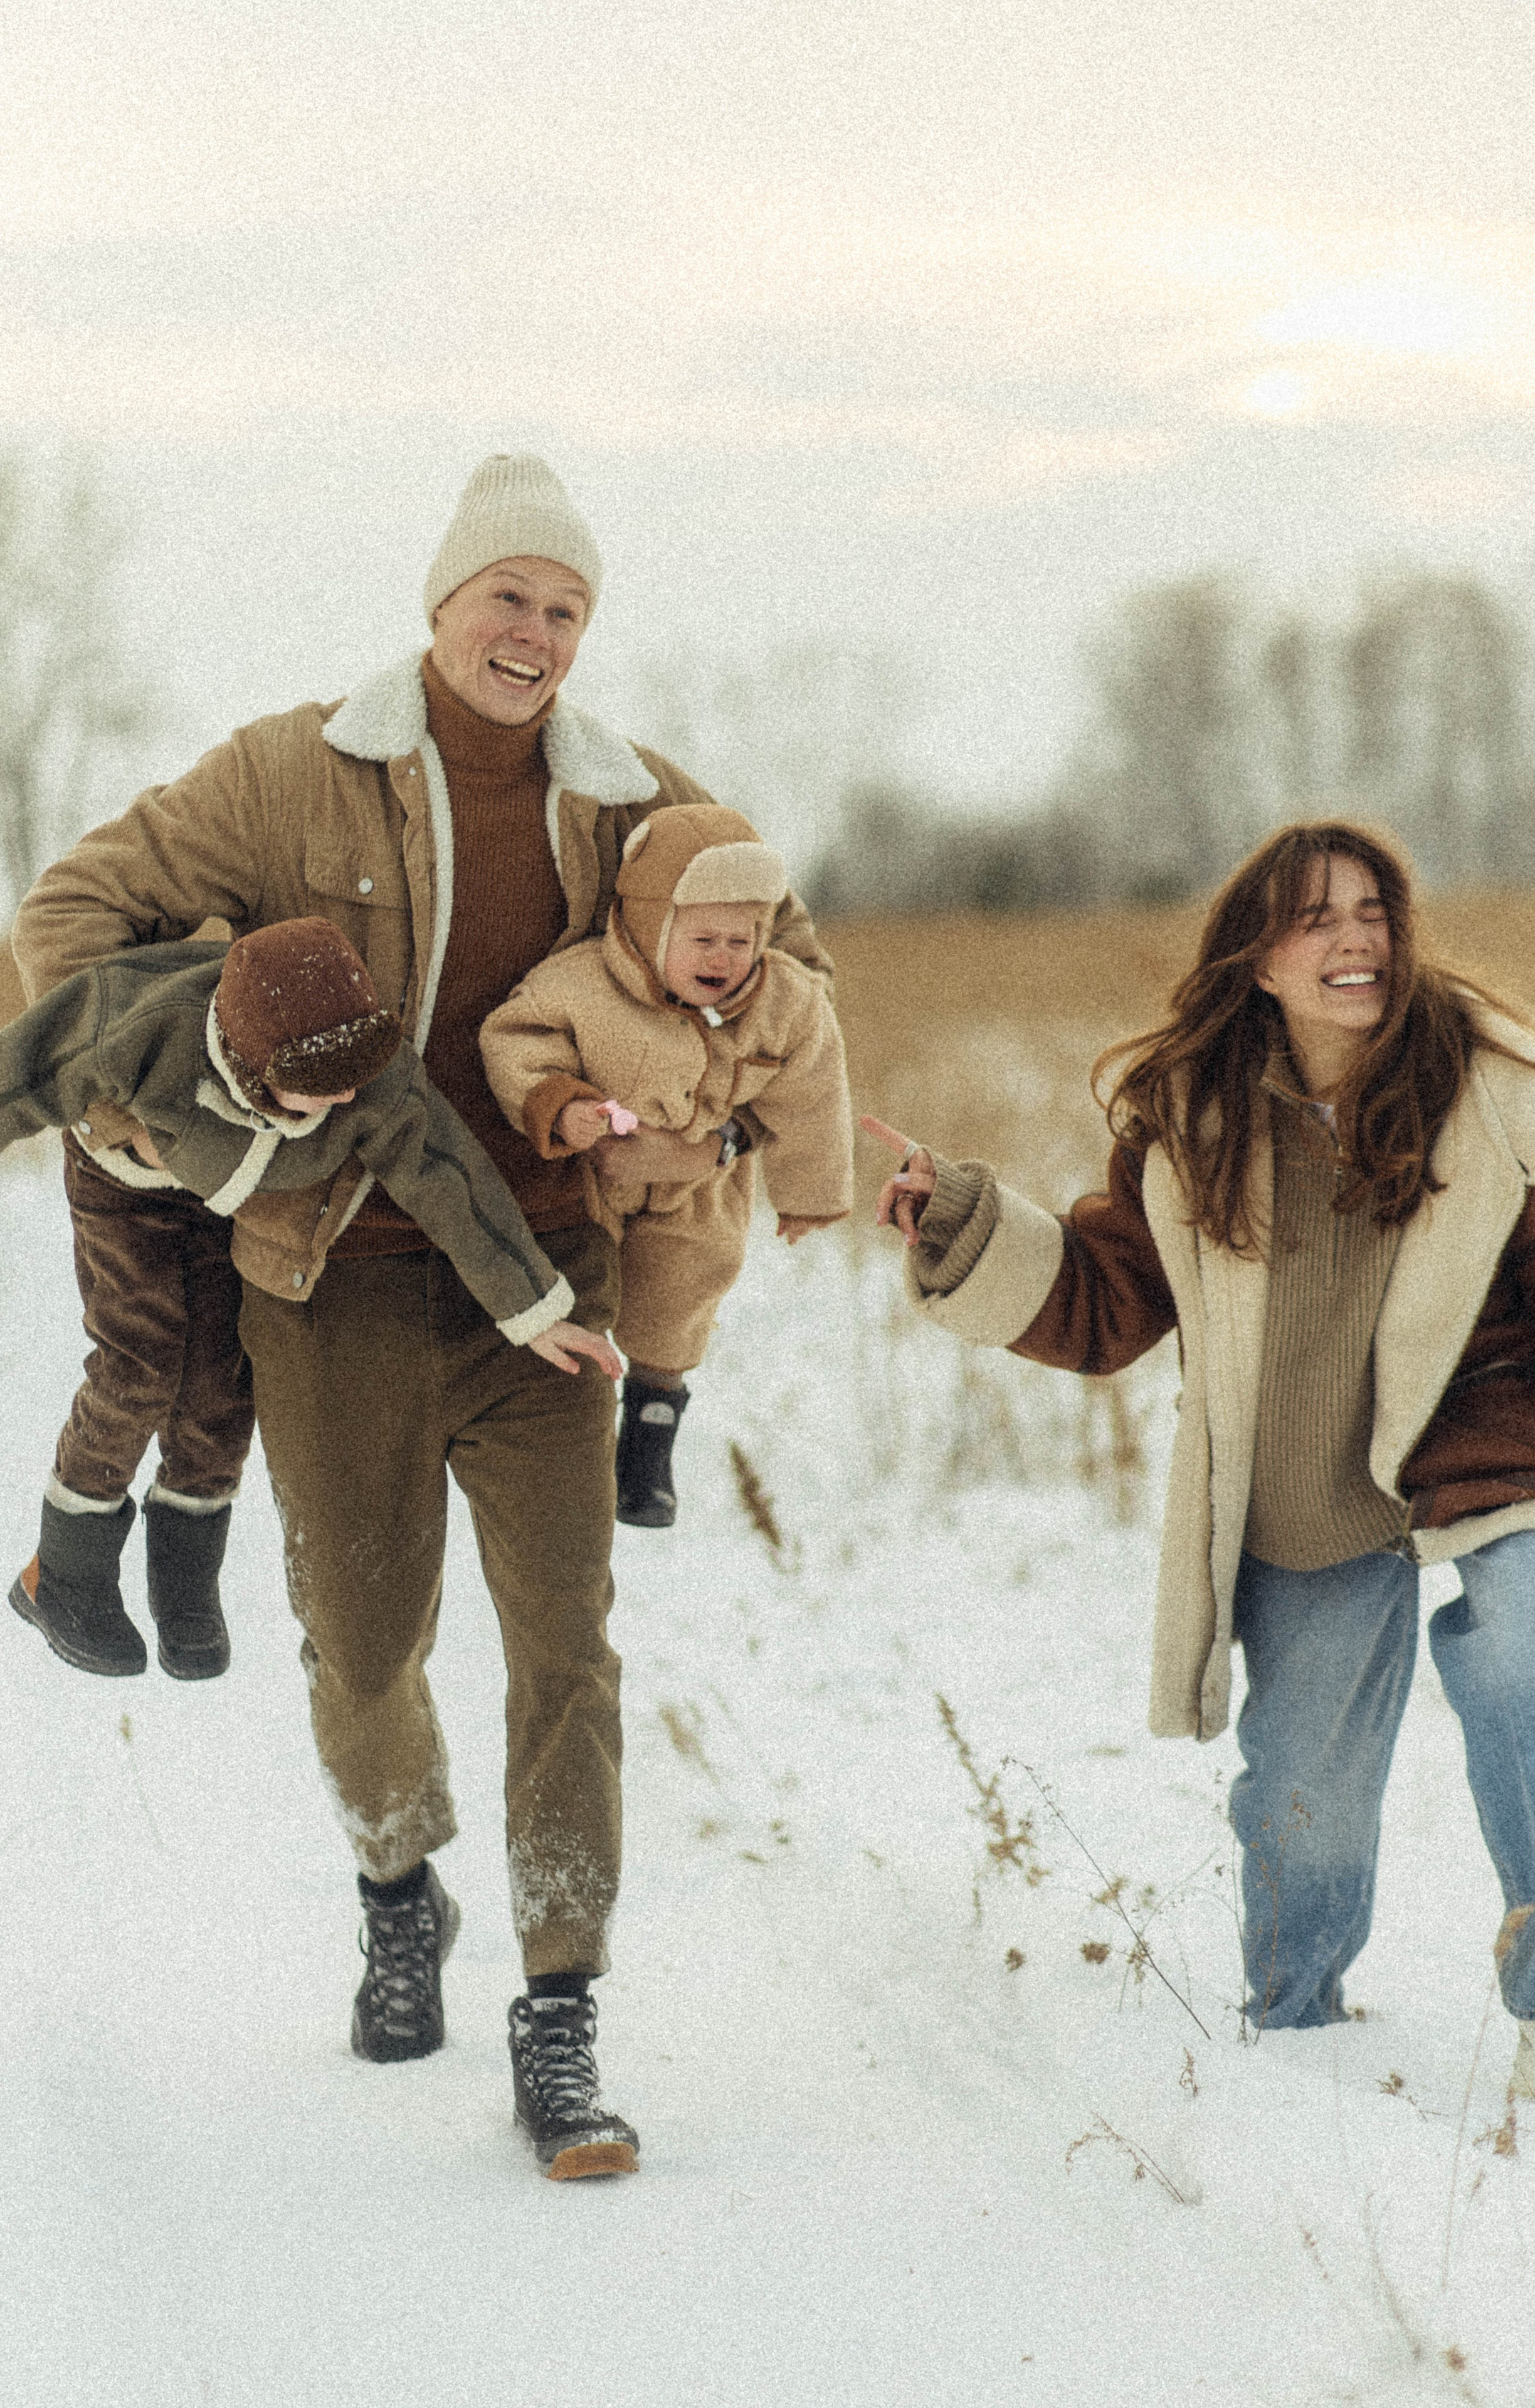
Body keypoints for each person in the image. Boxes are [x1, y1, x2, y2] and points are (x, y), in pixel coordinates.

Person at [11, 452, 831, 2179]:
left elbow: (787, 954)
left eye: (566, 608)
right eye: (507, 598)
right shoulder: (290, 771)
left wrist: (717, 1079)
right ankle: (400, 1885)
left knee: (565, 1648)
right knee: (365, 1641)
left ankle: (561, 2009)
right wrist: (134, 1107)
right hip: (338, 1280)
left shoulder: (633, 804)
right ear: (443, 604)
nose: (533, 634)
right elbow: (76, 908)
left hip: (553, 1286)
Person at [867, 820, 1535, 2104]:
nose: (1352, 939)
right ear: (1256, 960)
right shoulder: (1193, 1120)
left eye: (1371, 911)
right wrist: (962, 1224)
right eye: (1314, 919)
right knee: (1306, 1787)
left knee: (1520, 1638)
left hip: (1488, 1440)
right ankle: (1295, 2025)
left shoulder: (1502, 1090)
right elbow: (1106, 1301)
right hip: (1303, 1469)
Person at [4, 917, 614, 1680]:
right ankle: (62, 1570)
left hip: (223, 1200)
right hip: (122, 1187)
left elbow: (446, 1175)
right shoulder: (132, 1023)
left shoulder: (366, 1072)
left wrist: (534, 1307)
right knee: (143, 1362)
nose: (347, 1097)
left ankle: (184, 1574)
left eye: (357, 1079)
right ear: (253, 1056)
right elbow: (16, 1079)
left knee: (224, 1381)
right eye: (321, 1085)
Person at [480, 800, 853, 1526]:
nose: (723, 958)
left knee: (682, 1291)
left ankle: (652, 1427)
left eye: (741, 941)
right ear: (651, 926)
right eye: (703, 939)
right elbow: (516, 1040)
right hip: (590, 1177)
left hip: (700, 1187)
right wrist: (560, 1106)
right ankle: (564, 1443)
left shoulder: (787, 1004)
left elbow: (813, 1094)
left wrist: (807, 1194)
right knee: (575, 1289)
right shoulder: (580, 983)